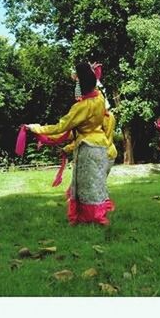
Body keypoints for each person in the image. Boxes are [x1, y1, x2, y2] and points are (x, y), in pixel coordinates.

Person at [26, 61, 115, 225]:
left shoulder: (81, 107)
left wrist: (36, 129)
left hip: (87, 147)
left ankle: (90, 218)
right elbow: (97, 86)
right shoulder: (100, 99)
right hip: (100, 146)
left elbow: (60, 127)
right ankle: (96, 215)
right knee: (96, 183)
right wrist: (90, 73)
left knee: (85, 185)